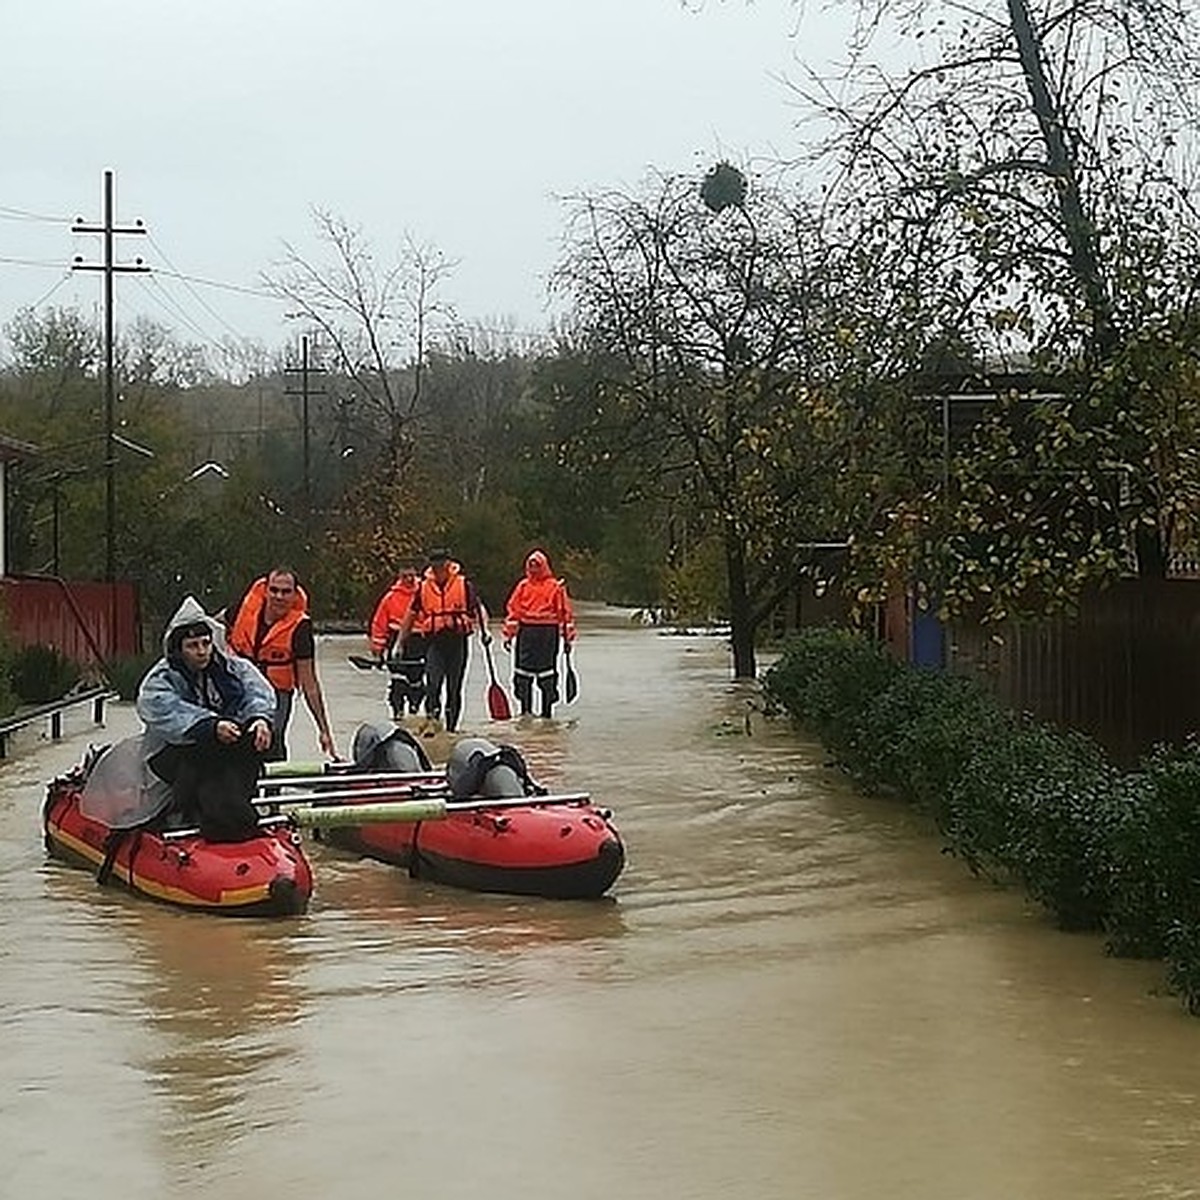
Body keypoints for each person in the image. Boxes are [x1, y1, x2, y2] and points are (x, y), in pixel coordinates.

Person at [136, 595, 276, 842]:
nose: (202, 651)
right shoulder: (162, 677)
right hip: (174, 752)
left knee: (253, 747)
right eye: (193, 646)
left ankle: (236, 815)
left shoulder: (232, 668)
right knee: (206, 762)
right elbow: (160, 709)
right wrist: (210, 726)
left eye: (205, 643)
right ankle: (189, 816)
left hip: (222, 745)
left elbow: (257, 691)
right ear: (179, 648)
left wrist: (259, 719)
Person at [220, 566, 336, 761]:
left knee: (272, 735)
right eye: (274, 590)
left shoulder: (301, 628)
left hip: (277, 693)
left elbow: (310, 684)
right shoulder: (244, 609)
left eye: (285, 592)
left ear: (294, 594)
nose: (279, 597)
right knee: (232, 736)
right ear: (266, 591)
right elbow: (211, 624)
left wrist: (323, 730)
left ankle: (274, 787)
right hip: (239, 686)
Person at [397, 548, 491, 733]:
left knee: (454, 688)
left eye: (442, 564)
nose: (439, 569)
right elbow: (411, 615)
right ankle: (433, 720)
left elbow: (480, 610)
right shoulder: (424, 588)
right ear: (431, 566)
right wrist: (399, 643)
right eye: (435, 565)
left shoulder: (464, 585)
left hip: (457, 643)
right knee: (433, 684)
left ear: (448, 564)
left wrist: (485, 631)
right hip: (434, 644)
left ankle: (451, 729)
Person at [501, 548, 577, 718]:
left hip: (548, 634)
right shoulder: (522, 586)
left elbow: (565, 614)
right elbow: (514, 612)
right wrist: (509, 635)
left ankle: (546, 715)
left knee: (547, 675)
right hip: (526, 632)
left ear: (544, 566)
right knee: (522, 675)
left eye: (537, 565)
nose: (534, 569)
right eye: (531, 566)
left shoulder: (556, 587)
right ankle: (525, 713)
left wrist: (568, 639)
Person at [368, 563, 428, 719]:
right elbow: (379, 624)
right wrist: (378, 649)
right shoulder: (390, 598)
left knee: (416, 681)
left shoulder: (424, 593)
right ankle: (398, 712)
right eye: (404, 576)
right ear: (399, 577)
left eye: (411, 576)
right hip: (396, 641)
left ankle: (414, 708)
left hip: (419, 640)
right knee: (398, 681)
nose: (408, 579)